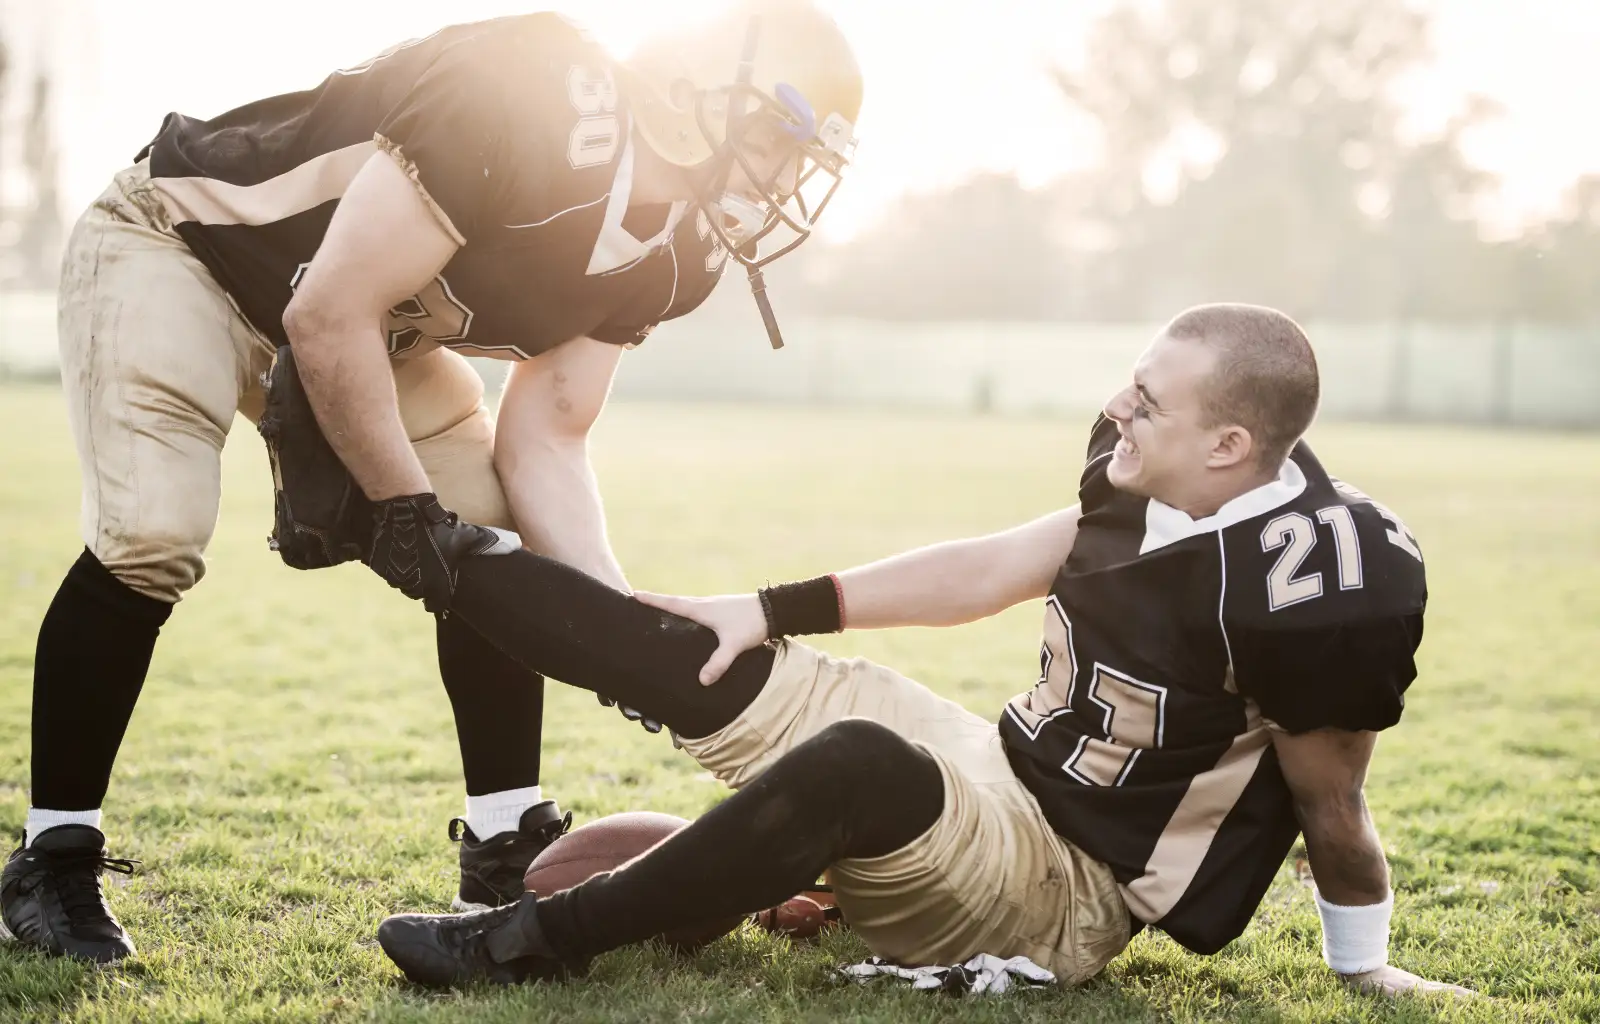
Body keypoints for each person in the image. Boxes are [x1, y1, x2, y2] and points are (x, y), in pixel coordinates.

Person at [1, 1, 862, 962]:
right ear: (695, 89)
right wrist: (406, 511)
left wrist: (620, 627)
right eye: (779, 142)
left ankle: (503, 837)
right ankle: (53, 855)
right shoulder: (530, 90)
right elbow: (329, 311)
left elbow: (549, 435)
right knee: (154, 530)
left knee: (492, 541)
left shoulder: (679, 253)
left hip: (361, 327)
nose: (782, 181)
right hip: (190, 251)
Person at [370, 304, 1475, 999]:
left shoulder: (1316, 581)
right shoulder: (1147, 475)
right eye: (1130, 383)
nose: (1115, 410)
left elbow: (1332, 804)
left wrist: (1362, 963)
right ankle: (397, 528)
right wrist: (770, 606)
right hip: (999, 767)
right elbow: (989, 567)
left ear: (1229, 446)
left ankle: (527, 940)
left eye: (1147, 402)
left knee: (857, 762)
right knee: (705, 645)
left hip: (1069, 887)